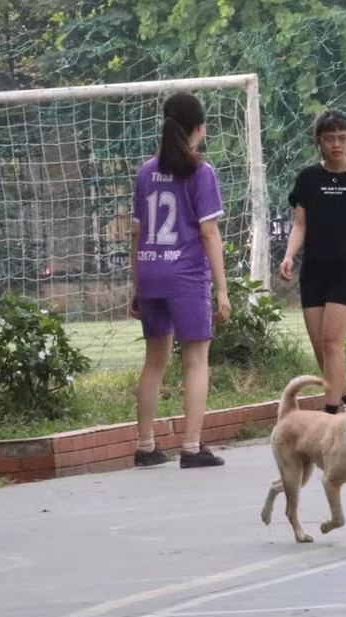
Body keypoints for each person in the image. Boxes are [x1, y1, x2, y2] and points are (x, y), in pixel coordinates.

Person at [129, 91, 232, 468]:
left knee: (154, 360)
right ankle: (191, 446)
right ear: (199, 128)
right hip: (186, 275)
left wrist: (136, 284)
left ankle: (144, 445)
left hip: (151, 270)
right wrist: (222, 288)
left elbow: (136, 234)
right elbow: (208, 233)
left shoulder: (145, 171)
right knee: (196, 359)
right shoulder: (200, 172)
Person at [278, 109, 346, 414]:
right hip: (315, 268)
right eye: (329, 139)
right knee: (320, 347)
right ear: (318, 141)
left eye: (342, 138)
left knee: (331, 341)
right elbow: (300, 224)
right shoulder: (309, 178)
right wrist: (288, 256)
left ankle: (332, 410)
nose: (336, 144)